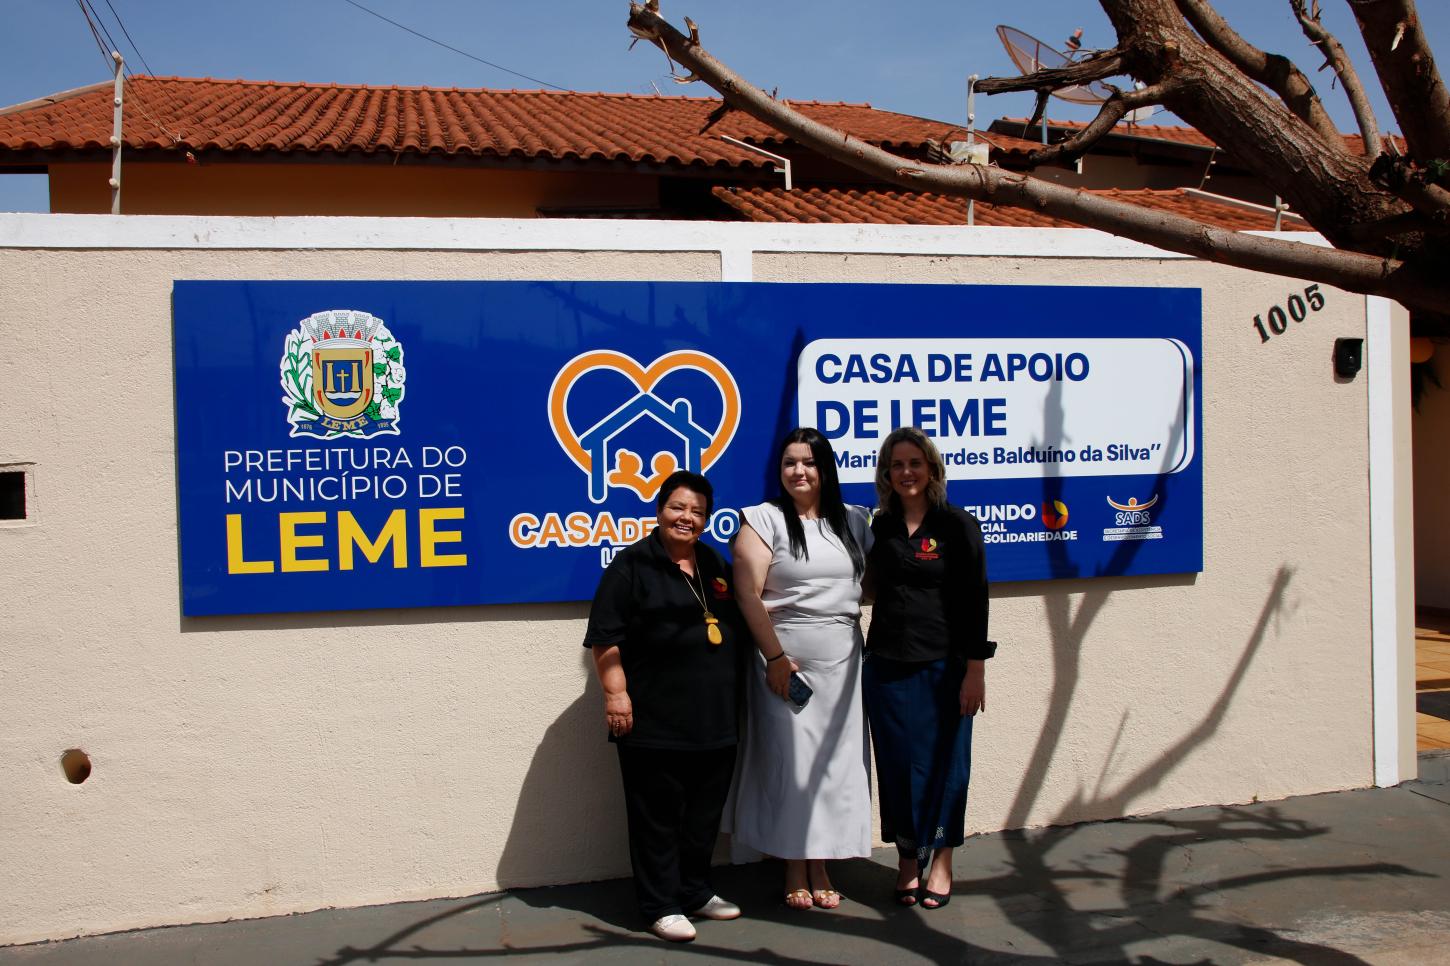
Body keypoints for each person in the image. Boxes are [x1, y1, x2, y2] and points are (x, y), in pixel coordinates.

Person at [583, 470, 745, 943]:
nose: (687, 518)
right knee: (657, 815)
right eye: (678, 508)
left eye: (697, 512)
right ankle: (660, 903)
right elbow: (605, 640)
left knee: (703, 815)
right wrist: (616, 695)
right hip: (654, 721)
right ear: (659, 511)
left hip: (714, 719)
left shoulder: (713, 564)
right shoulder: (631, 566)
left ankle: (694, 891)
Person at [729, 427, 874, 910]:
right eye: (790, 462)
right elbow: (749, 593)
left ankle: (822, 862)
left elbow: (872, 585)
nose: (799, 471)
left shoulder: (855, 521)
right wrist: (773, 658)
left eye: (809, 462)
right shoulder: (763, 519)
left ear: (825, 468)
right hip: (784, 661)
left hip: (844, 660)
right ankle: (793, 863)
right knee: (791, 764)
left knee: (835, 764)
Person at [863, 426, 994, 910]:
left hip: (945, 667)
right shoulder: (879, 528)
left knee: (947, 768)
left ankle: (940, 861)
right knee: (897, 767)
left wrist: (974, 670)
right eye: (896, 465)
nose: (906, 472)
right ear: (886, 473)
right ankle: (905, 861)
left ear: (932, 468)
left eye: (914, 463)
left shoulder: (959, 525)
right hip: (887, 668)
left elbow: (975, 600)